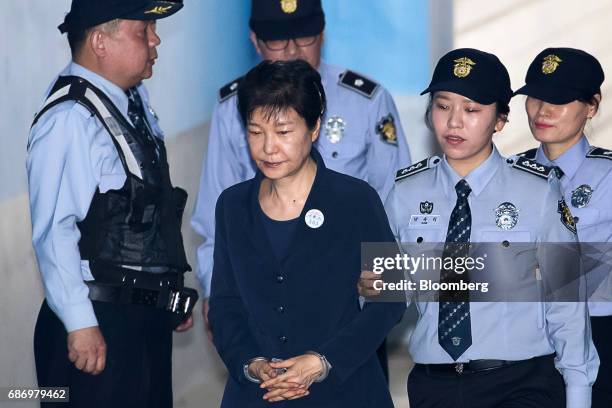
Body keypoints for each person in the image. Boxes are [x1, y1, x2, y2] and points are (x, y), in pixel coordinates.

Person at [361, 48, 598, 407]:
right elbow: (387, 292)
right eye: (443, 106)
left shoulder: (538, 192)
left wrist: (578, 396)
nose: (454, 122)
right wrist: (372, 287)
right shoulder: (405, 192)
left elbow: (567, 303)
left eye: (471, 110)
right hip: (433, 384)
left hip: (521, 382)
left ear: (500, 120)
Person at [192, 2, 411, 375]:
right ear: (255, 41)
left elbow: (395, 203)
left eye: (304, 37)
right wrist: (216, 293)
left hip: (349, 308)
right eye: (278, 41)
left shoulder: (366, 100)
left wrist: (383, 279)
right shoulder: (233, 106)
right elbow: (218, 216)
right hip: (262, 308)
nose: (292, 51)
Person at [27, 1, 197, 407]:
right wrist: (80, 324)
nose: (156, 40)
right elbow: (54, 230)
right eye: (143, 31)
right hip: (97, 327)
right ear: (100, 42)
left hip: (139, 324)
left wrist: (164, 294)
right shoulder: (70, 118)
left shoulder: (131, 101)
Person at [514, 47, 612, 407]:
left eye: (560, 99)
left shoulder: (609, 176)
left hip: (599, 339)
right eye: (535, 96)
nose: (543, 110)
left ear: (592, 105)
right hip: (518, 345)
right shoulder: (505, 175)